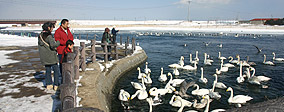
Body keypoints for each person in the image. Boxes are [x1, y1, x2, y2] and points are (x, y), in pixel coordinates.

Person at [38, 22, 61, 91]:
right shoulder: (49, 36)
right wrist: (58, 42)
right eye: (51, 27)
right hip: (51, 56)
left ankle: (49, 84)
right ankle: (56, 85)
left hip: (44, 56)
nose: (52, 29)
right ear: (48, 28)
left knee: (48, 70)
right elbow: (53, 45)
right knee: (56, 70)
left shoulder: (40, 35)